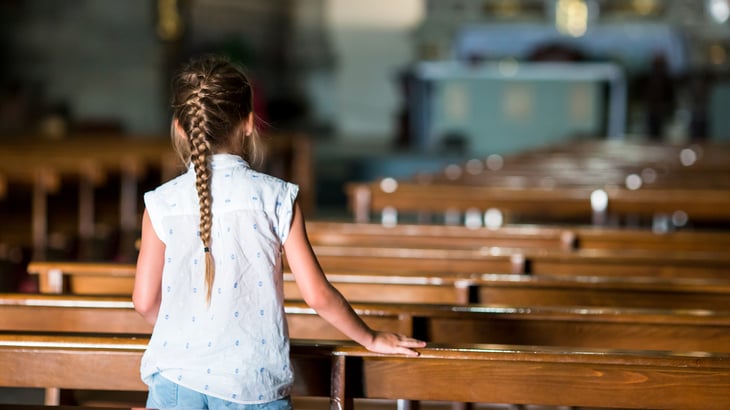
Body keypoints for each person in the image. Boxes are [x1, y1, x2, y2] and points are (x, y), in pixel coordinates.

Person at [132, 54, 425, 410]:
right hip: (251, 383)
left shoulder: (160, 203)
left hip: (174, 378)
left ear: (180, 127)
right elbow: (316, 295)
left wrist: (190, 333)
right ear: (250, 123)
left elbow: (145, 302)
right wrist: (371, 337)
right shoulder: (276, 197)